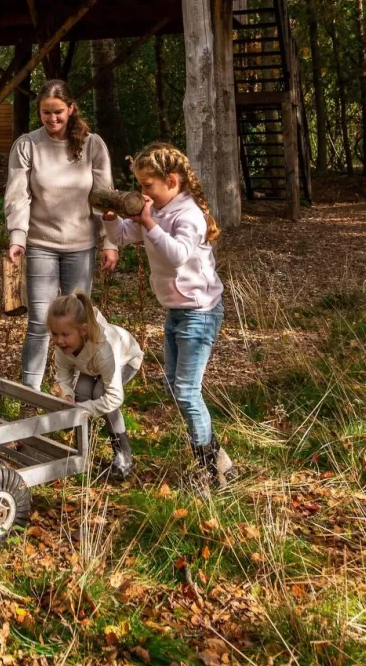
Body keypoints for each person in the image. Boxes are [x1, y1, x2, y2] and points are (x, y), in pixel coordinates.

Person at [101, 142, 235, 490]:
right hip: (177, 310)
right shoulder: (157, 211)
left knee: (187, 391)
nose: (142, 193)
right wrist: (112, 220)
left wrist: (148, 221)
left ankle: (209, 471)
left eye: (148, 186)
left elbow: (176, 256)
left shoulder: (187, 215)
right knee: (177, 389)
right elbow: (127, 236)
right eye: (140, 186)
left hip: (200, 312)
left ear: (172, 181)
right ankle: (219, 458)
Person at [3, 79, 118, 390]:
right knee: (41, 322)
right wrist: (17, 237)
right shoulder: (27, 145)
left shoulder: (92, 145)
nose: (52, 120)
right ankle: (31, 393)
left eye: (57, 112)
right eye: (45, 113)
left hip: (80, 246)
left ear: (70, 109)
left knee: (79, 323)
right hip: (40, 244)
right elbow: (18, 196)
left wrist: (110, 242)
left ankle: (81, 389)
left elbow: (104, 197)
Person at [47, 291, 143, 480]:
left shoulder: (104, 349)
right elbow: (64, 378)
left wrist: (81, 409)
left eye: (65, 334)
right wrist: (67, 396)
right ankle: (83, 452)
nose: (59, 341)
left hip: (125, 359)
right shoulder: (63, 347)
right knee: (81, 393)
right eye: (54, 334)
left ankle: (123, 455)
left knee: (100, 393)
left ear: (82, 331)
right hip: (91, 366)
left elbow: (114, 397)